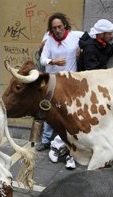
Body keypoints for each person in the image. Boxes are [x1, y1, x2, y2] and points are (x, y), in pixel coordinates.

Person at [37, 12, 83, 170]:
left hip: (69, 82)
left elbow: (92, 37)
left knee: (68, 113)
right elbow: (43, 59)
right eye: (54, 28)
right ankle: (46, 142)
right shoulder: (49, 39)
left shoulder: (75, 36)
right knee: (50, 111)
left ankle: (65, 144)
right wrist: (52, 61)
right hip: (52, 82)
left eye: (60, 27)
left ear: (65, 25)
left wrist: (83, 49)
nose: (57, 30)